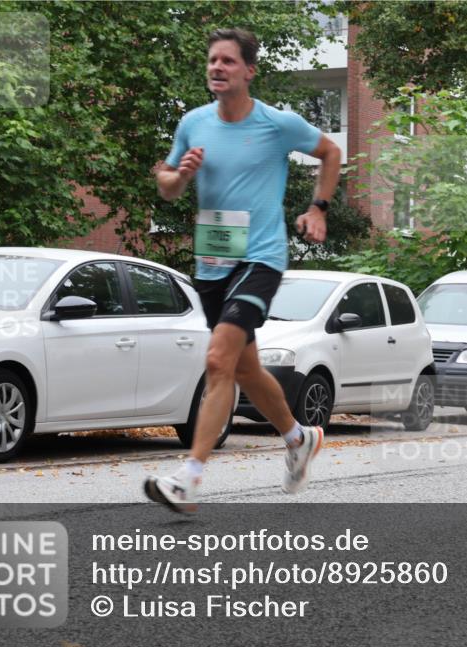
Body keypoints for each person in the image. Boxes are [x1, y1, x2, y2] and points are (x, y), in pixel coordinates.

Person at [144, 28, 341, 512]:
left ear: (249, 70)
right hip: (212, 261)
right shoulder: (193, 124)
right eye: (212, 60)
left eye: (228, 61)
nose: (217, 67)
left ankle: (189, 479)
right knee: (245, 368)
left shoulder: (278, 124)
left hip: (261, 257)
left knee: (217, 361)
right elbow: (166, 186)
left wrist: (317, 209)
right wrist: (181, 174)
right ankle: (298, 438)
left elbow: (330, 153)